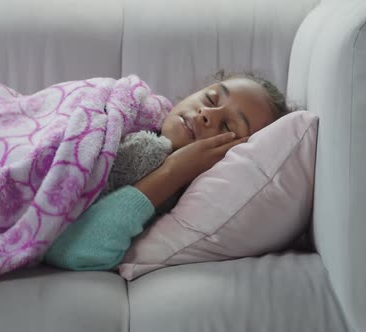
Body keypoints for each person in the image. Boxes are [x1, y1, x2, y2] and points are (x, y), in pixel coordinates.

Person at [44, 70, 294, 271]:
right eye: (211, 99)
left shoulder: (175, 196)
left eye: (228, 125)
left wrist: (173, 172)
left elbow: (73, 250)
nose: (207, 114)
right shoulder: (133, 109)